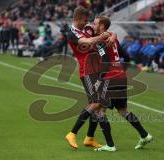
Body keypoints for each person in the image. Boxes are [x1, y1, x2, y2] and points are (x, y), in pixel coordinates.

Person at [88, 16, 153, 151]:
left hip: (110, 79)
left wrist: (99, 80)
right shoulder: (114, 39)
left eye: (95, 24)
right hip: (120, 77)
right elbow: (127, 57)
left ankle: (110, 145)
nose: (93, 25)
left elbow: (105, 61)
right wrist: (120, 70)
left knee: (99, 111)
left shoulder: (101, 42)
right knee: (123, 110)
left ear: (102, 26)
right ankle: (144, 135)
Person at [65, 6, 117, 151]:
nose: (86, 23)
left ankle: (89, 137)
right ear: (76, 19)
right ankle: (72, 133)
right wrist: (100, 38)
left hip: (97, 70)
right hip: (87, 71)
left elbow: (107, 32)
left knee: (100, 105)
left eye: (87, 21)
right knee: (96, 102)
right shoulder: (71, 33)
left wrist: (112, 36)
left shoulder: (87, 28)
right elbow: (85, 42)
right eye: (83, 21)